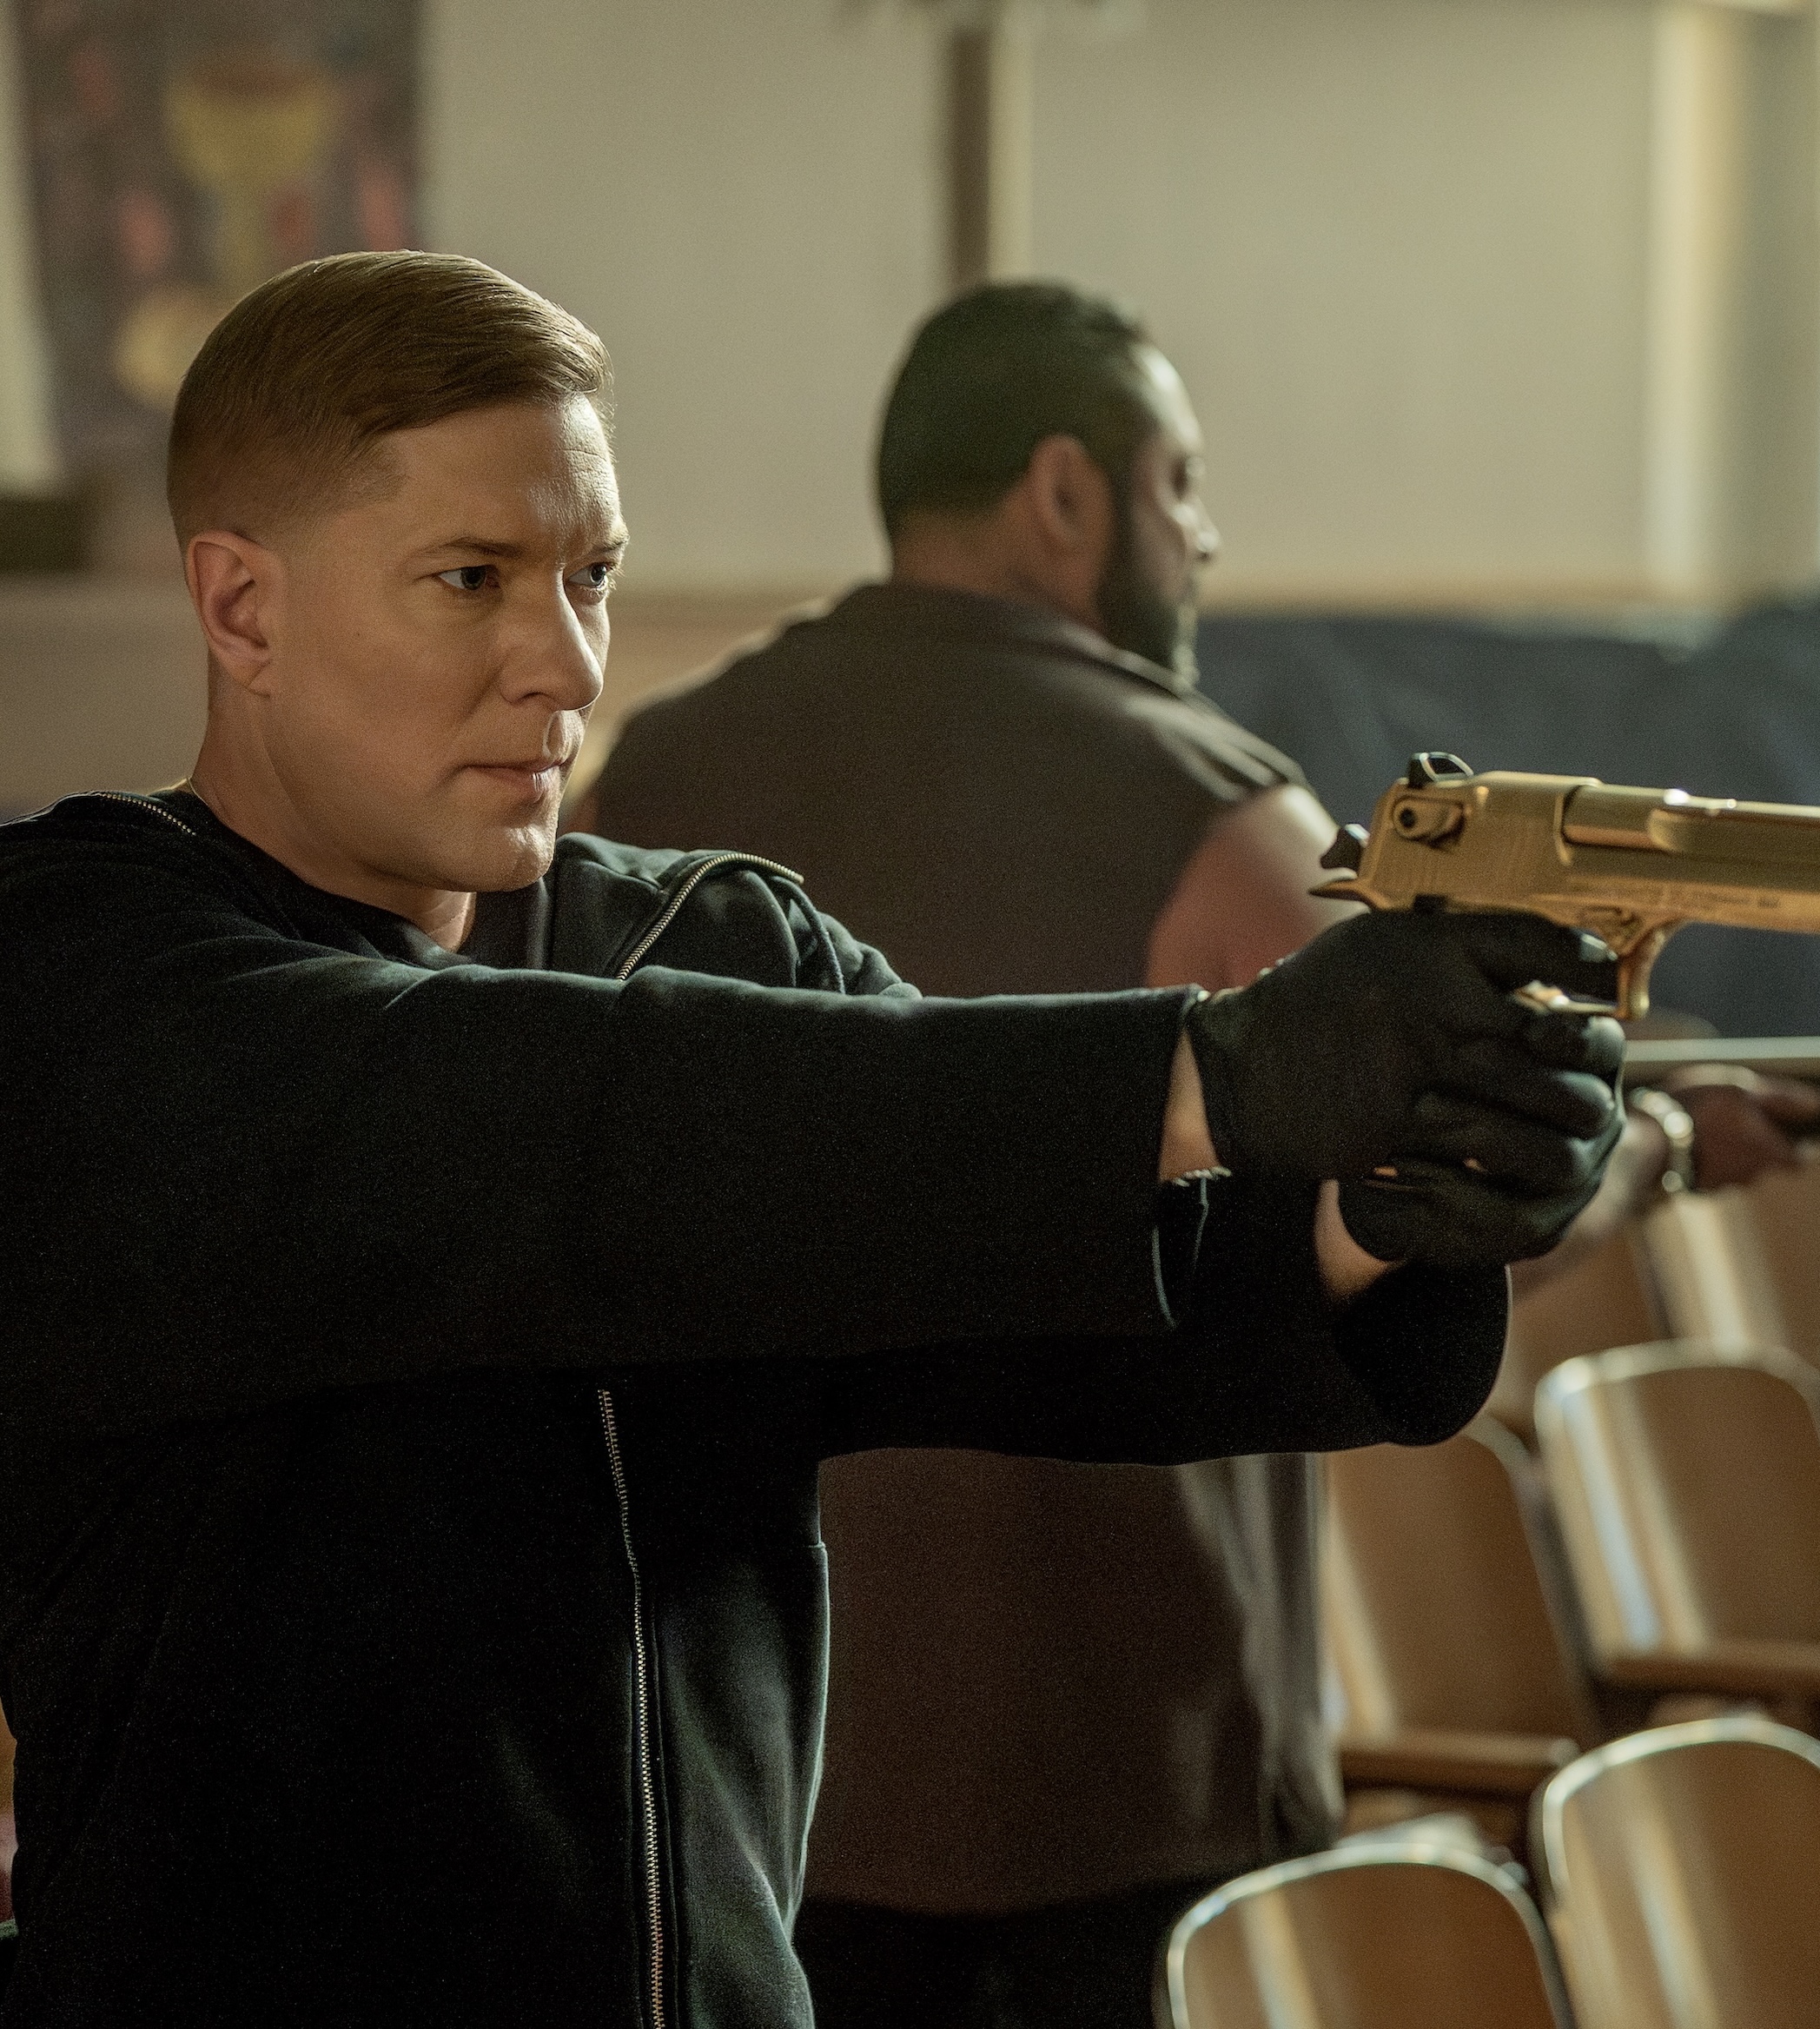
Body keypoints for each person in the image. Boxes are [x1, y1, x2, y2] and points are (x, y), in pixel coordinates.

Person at [0, 253, 1623, 2029]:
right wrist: (1218, 1068)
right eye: (471, 580)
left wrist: (1402, 1192)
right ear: (242, 608)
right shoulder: (83, 967)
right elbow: (559, 1133)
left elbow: (1018, 1272)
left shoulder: (697, 939)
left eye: (591, 576)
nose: (563, 662)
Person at [584, 281, 1808, 2027]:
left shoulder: (652, 777)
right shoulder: (1207, 798)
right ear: (1065, 493)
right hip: (1123, 1755)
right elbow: (1447, 1198)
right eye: (1183, 485)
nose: (1206, 539)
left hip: (757, 1739)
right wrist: (1665, 1145)